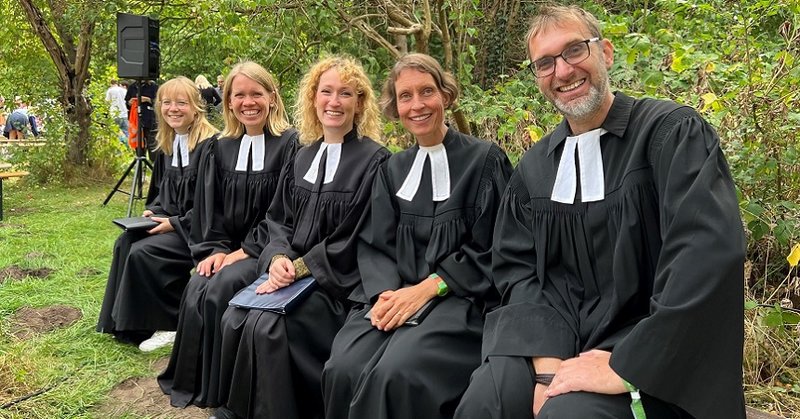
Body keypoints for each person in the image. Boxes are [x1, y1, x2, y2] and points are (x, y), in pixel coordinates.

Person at [454, 5, 745, 419]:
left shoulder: (669, 134)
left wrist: (627, 364)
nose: (563, 71)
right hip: (554, 345)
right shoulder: (534, 171)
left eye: (574, 50)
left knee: (569, 415)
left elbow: (704, 256)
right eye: (545, 63)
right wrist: (546, 367)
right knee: (486, 401)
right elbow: (516, 272)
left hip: (656, 354)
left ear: (605, 53)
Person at [322, 53, 513, 419]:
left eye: (426, 91)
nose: (417, 105)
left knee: (396, 374)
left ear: (446, 95)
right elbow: (374, 245)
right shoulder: (393, 169)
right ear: (396, 106)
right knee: (342, 368)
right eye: (405, 96)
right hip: (395, 297)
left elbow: (496, 248)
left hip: (460, 301)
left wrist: (430, 287)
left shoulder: (485, 161)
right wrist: (386, 296)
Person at [212, 55, 391, 419]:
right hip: (289, 274)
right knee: (235, 316)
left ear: (359, 104)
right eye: (326, 91)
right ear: (313, 99)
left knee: (272, 325)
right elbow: (279, 220)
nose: (334, 102)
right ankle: (238, 411)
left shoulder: (376, 161)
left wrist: (299, 267)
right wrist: (277, 259)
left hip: (335, 284)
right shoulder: (303, 157)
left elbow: (356, 237)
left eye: (345, 93)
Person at [158, 61, 299, 411]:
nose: (248, 102)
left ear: (272, 97)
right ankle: (195, 382)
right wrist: (215, 249)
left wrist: (243, 253)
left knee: (220, 287)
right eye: (239, 95)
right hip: (227, 248)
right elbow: (210, 210)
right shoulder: (219, 147)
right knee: (199, 282)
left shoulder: (291, 145)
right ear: (228, 101)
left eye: (256, 94)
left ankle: (221, 389)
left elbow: (284, 212)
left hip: (267, 251)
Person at [97, 76, 218, 349]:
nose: (172, 109)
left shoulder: (211, 146)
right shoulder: (168, 144)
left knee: (145, 253)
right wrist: (153, 212)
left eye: (181, 103)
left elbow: (212, 204)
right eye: (166, 102)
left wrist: (173, 223)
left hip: (199, 229)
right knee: (125, 243)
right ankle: (126, 324)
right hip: (174, 223)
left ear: (196, 107)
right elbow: (162, 194)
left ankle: (170, 323)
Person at [126, 79, 159, 160]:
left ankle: (154, 166)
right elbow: (127, 103)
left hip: (151, 120)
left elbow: (160, 102)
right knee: (139, 147)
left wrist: (148, 100)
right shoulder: (133, 87)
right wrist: (129, 103)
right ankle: (140, 164)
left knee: (153, 146)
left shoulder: (154, 87)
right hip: (136, 121)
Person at [106, 79, 129, 144]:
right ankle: (129, 149)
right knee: (127, 133)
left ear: (111, 84)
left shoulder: (110, 90)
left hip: (114, 114)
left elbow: (107, 101)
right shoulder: (124, 90)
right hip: (125, 114)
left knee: (115, 133)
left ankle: (119, 148)